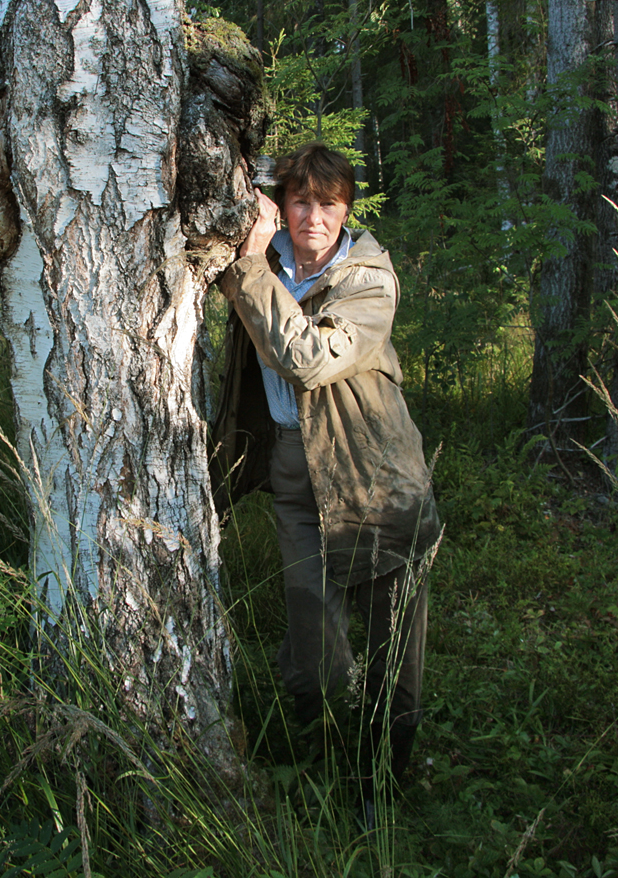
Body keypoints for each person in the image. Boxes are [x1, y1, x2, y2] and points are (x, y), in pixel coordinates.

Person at [211, 142, 441, 801]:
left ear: (346, 211)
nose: (314, 216)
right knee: (314, 662)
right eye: (301, 200)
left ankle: (380, 788)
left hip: (377, 480)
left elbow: (309, 360)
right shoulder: (263, 259)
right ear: (282, 204)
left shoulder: (369, 282)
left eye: (329, 203)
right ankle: (314, 765)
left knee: (392, 655)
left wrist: (249, 266)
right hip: (293, 476)